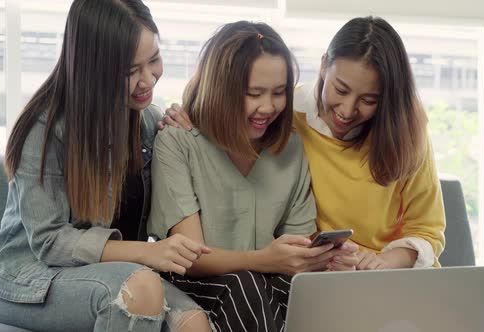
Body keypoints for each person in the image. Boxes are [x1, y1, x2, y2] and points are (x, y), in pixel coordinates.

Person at [0, 1, 212, 331]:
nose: (148, 80)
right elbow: (51, 242)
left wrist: (184, 136)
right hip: (31, 280)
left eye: (154, 60)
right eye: (129, 71)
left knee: (194, 322)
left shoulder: (148, 122)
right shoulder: (45, 128)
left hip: (124, 274)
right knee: (139, 291)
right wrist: (148, 254)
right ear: (92, 69)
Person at [161, 16, 446, 272]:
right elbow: (226, 101)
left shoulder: (407, 131)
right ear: (323, 66)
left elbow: (427, 230)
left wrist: (385, 262)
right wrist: (185, 112)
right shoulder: (285, 115)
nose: (347, 110)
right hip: (325, 271)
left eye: (369, 100)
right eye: (340, 89)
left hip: (395, 273)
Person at [147, 21, 347, 332]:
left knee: (306, 293)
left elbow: (296, 249)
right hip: (192, 283)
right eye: (254, 93)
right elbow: (191, 258)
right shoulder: (179, 140)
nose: (268, 107)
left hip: (260, 284)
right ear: (221, 88)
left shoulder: (291, 148)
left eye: (279, 93)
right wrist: (262, 259)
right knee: (246, 285)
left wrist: (322, 257)